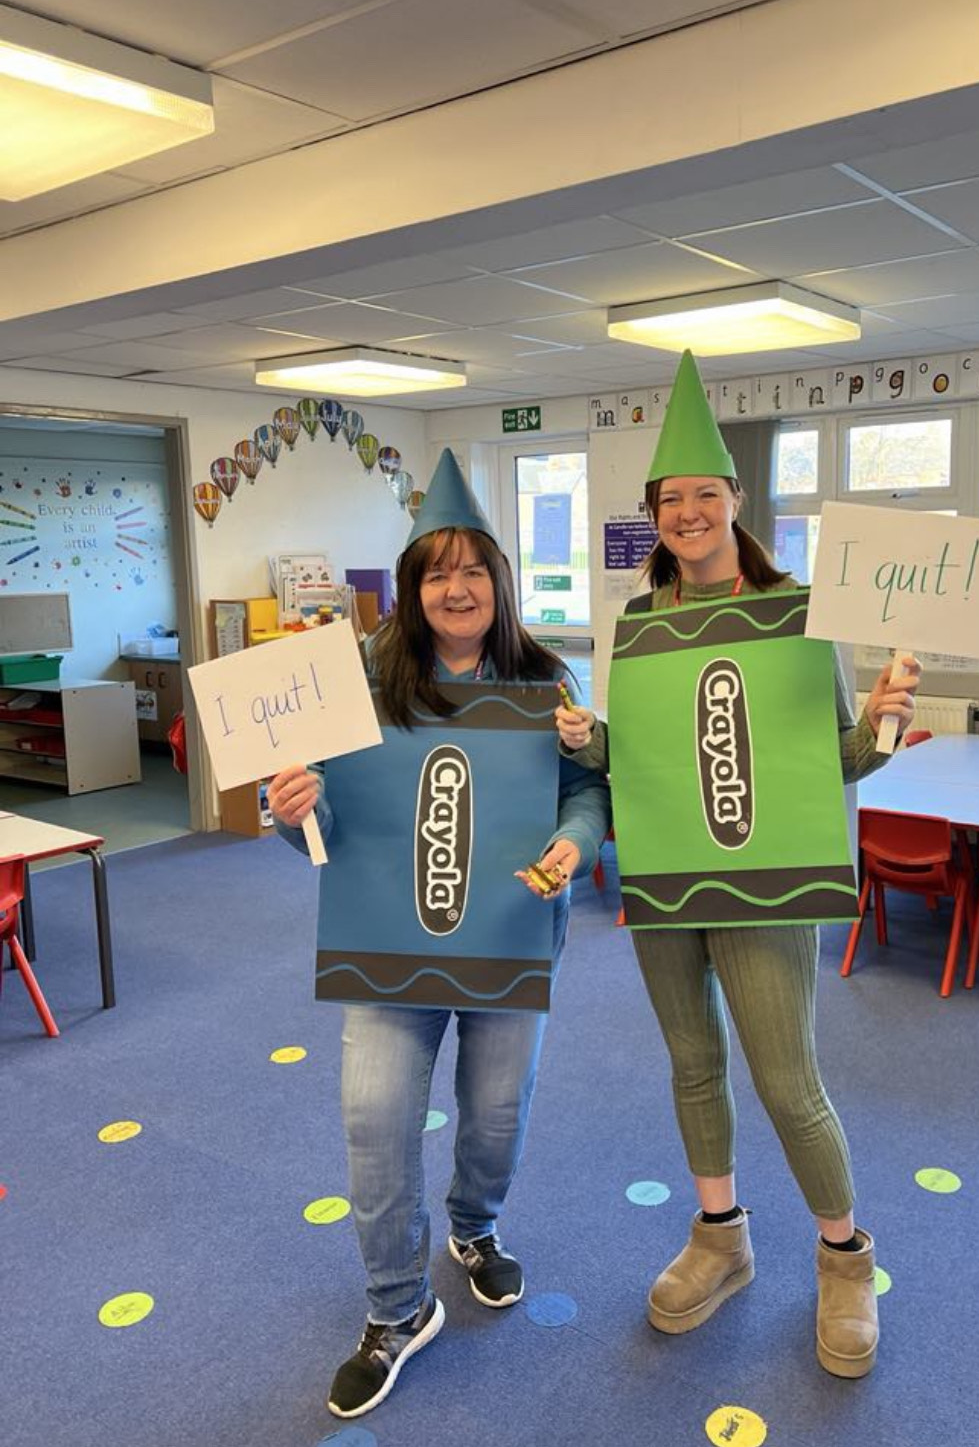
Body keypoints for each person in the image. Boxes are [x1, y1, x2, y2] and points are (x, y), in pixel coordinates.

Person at [556, 352, 920, 1380]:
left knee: (787, 1079)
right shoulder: (643, 623)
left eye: (701, 496)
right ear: (656, 514)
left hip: (767, 882)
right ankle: (721, 1235)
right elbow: (642, 756)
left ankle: (845, 1258)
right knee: (691, 1063)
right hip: (670, 880)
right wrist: (588, 738)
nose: (686, 512)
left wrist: (885, 722)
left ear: (734, 501)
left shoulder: (797, 611)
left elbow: (837, 762)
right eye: (669, 500)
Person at [269, 450, 611, 1421]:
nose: (454, 587)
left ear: (497, 584)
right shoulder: (363, 686)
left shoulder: (548, 679)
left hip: (506, 933)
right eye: (435, 570)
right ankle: (395, 1309)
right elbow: (327, 830)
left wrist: (570, 846)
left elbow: (589, 794)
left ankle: (474, 1226)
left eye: (472, 569)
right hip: (387, 948)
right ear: (416, 588)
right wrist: (290, 808)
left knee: (496, 1119)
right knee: (375, 1124)